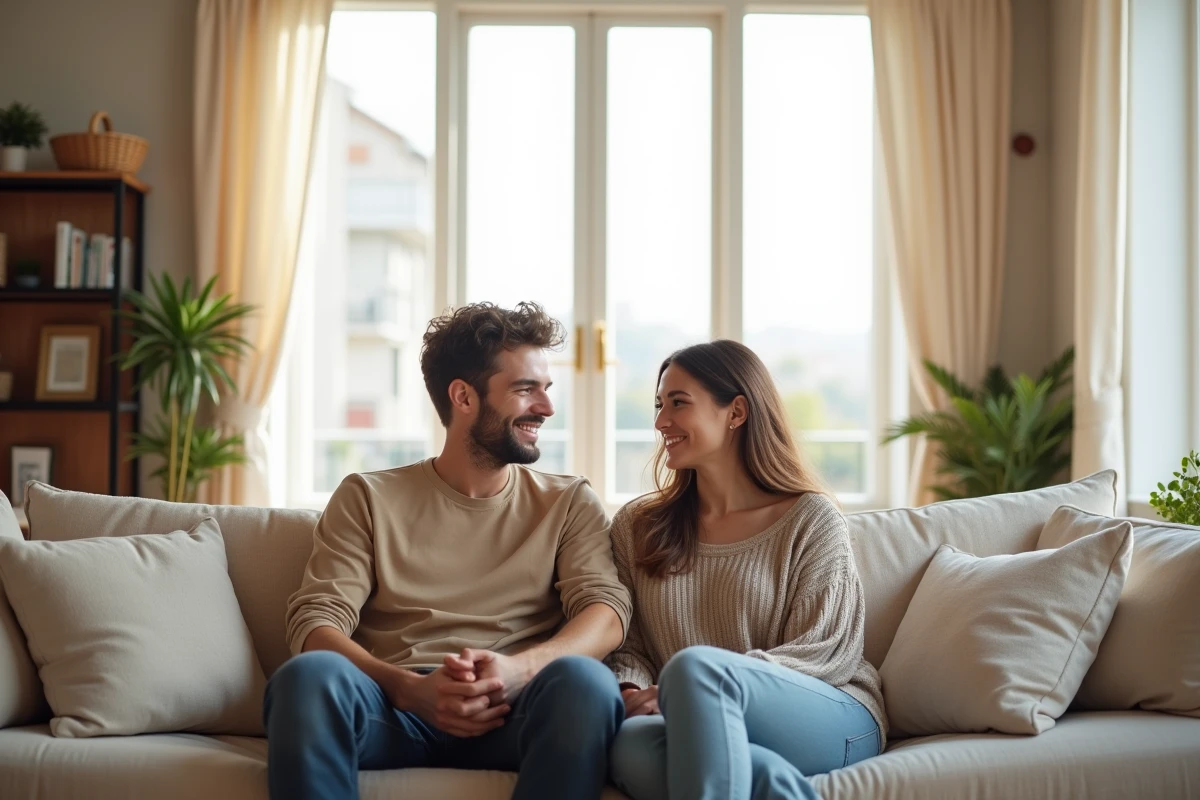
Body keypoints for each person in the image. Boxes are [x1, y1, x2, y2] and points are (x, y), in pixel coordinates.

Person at [265, 302, 632, 800]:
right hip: (395, 709)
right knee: (307, 679)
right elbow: (315, 622)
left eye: (547, 389)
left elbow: (606, 611)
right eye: (526, 389)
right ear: (463, 396)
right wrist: (408, 689)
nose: (546, 408)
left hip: (517, 704)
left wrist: (519, 670)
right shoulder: (368, 496)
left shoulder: (566, 502)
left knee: (586, 684)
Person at [606, 340, 886, 800]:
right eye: (659, 405)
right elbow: (628, 647)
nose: (660, 422)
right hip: (687, 716)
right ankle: (778, 787)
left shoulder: (810, 519)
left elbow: (826, 652)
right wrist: (634, 689)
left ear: (736, 412)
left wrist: (694, 690)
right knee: (631, 746)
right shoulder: (638, 527)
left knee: (695, 671)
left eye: (678, 403)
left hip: (832, 712)